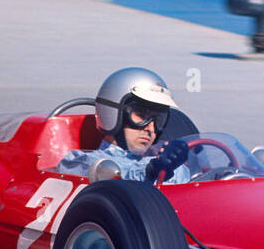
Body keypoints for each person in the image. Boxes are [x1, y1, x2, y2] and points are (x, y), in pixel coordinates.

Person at [56, 67, 191, 184]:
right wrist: (151, 171)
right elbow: (113, 177)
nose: (150, 129)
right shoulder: (84, 162)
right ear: (114, 114)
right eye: (141, 115)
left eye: (158, 120)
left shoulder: (171, 167)